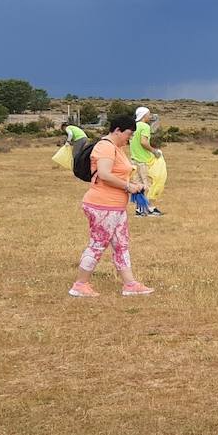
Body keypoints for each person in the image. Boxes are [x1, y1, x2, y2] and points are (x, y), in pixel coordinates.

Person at [70, 114, 153, 297]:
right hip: (103, 205)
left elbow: (118, 173)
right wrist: (128, 186)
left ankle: (130, 284)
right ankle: (80, 285)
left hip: (115, 207)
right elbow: (105, 174)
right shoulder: (105, 147)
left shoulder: (116, 148)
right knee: (98, 244)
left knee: (121, 245)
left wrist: (133, 185)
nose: (129, 139)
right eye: (128, 134)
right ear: (117, 130)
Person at [129, 106, 164, 217]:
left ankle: (140, 209)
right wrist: (154, 151)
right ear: (144, 115)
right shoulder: (145, 126)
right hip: (143, 160)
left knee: (137, 186)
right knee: (147, 185)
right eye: (149, 114)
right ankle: (149, 208)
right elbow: (144, 142)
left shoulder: (133, 127)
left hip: (134, 160)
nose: (150, 116)